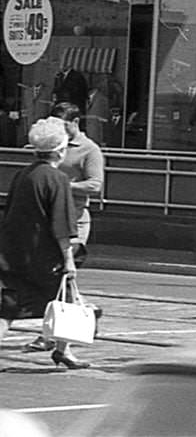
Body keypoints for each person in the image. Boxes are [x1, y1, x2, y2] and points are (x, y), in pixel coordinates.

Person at [0, 118, 85, 369]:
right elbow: (62, 224)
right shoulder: (57, 179)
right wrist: (69, 259)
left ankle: (64, 350)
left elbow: (10, 214)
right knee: (65, 300)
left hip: (15, 252)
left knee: (8, 306)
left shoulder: (22, 174)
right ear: (60, 149)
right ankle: (63, 350)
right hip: (44, 256)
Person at [48, 102, 104, 260]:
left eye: (64, 125)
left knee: (66, 266)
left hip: (75, 217)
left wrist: (64, 185)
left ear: (76, 122)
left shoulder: (89, 149)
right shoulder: (52, 145)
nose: (60, 131)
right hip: (49, 215)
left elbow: (95, 185)